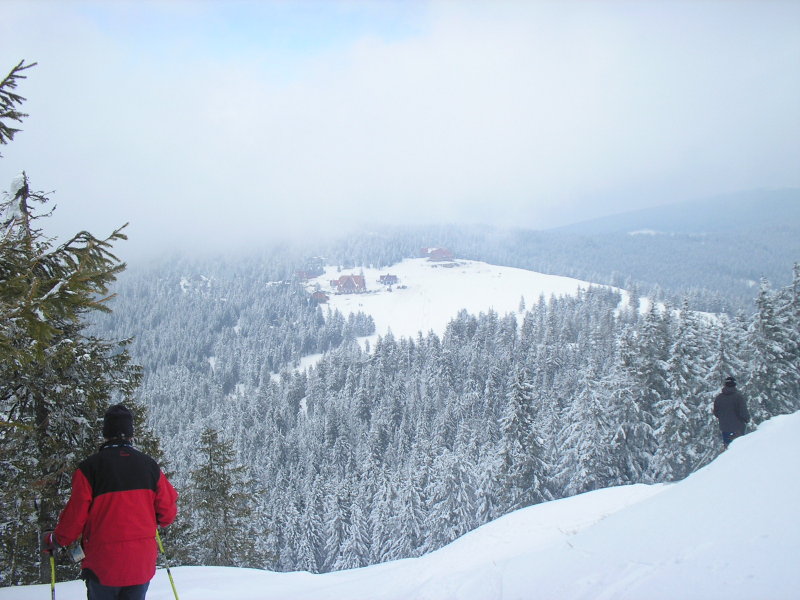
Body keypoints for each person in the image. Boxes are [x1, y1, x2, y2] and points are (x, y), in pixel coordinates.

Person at [42, 404, 178, 600]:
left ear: (105, 433)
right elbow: (168, 514)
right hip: (140, 564)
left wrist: (56, 540)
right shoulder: (149, 466)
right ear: (130, 434)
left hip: (102, 565)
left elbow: (75, 516)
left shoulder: (89, 468)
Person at [713, 376, 750, 449]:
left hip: (725, 428)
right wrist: (747, 419)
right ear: (734, 384)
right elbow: (743, 412)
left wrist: (723, 418)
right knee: (739, 448)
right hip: (738, 428)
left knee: (728, 449)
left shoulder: (719, 398)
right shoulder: (738, 397)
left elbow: (716, 413)